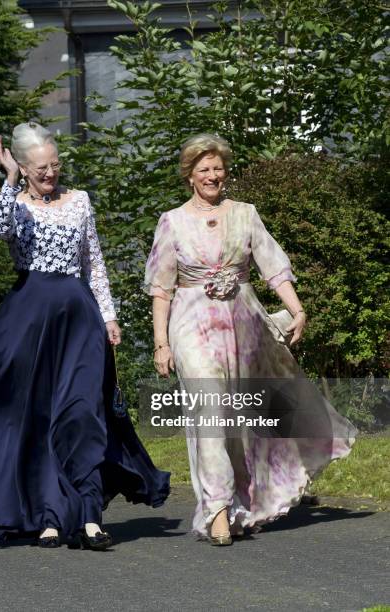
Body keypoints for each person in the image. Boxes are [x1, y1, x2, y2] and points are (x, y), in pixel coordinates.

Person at [0, 121, 169, 550]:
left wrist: (108, 315)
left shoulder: (80, 201)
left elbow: (94, 261)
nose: (50, 174)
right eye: (40, 168)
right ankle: (48, 515)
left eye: (55, 164)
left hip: (79, 317)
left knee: (81, 411)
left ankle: (89, 517)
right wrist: (9, 181)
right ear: (24, 168)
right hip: (30, 318)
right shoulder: (15, 204)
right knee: (39, 416)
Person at [144, 133, 355, 546]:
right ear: (190, 175)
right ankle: (217, 508)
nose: (212, 175)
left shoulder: (245, 214)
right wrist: (160, 344)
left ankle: (250, 494)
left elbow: (273, 265)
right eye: (203, 169)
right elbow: (160, 288)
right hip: (191, 323)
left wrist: (296, 308)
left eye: (218, 168)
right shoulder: (172, 221)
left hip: (243, 322)